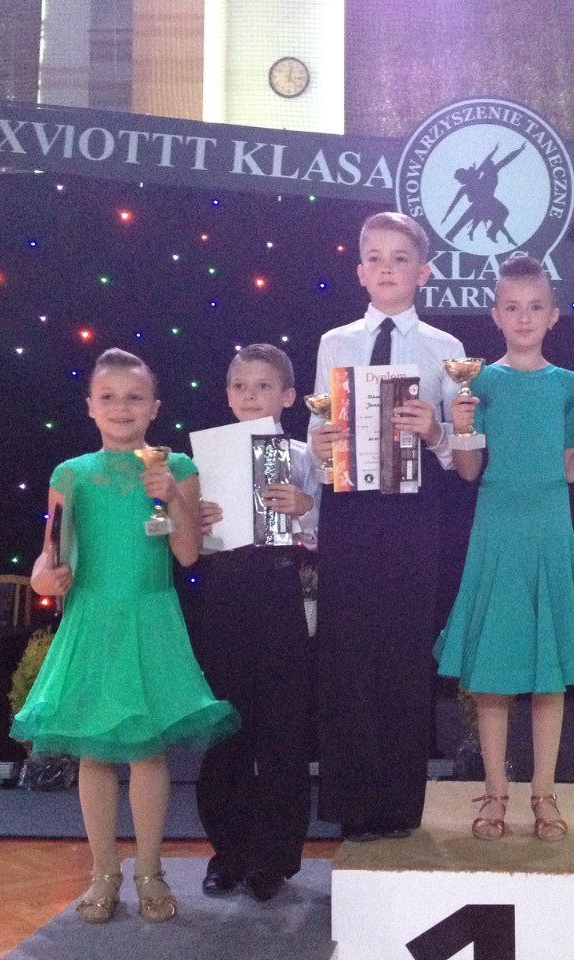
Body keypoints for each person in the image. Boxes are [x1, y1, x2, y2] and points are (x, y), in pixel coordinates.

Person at [15, 347, 238, 924]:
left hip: (152, 617)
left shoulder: (178, 467)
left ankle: (150, 870)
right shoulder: (70, 473)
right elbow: (51, 553)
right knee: (94, 751)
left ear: (155, 407)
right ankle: (103, 872)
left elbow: (187, 553)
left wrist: (170, 493)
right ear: (90, 406)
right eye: (109, 397)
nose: (122, 407)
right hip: (91, 619)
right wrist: (42, 577)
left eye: (135, 397)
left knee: (146, 750)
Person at [434, 253, 574, 841]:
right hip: (497, 529)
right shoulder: (480, 382)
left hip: (550, 530)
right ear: (496, 315)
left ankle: (545, 794)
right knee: (494, 673)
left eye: (535, 307)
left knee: (549, 674)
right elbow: (469, 471)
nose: (523, 317)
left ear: (552, 315)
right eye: (512, 307)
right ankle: (495, 793)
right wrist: (461, 423)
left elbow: (572, 467)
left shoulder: (567, 384)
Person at [309, 211, 463, 841]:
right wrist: (320, 445)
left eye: (400, 258)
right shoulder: (335, 342)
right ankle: (351, 803)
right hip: (350, 508)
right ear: (359, 272)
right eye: (374, 258)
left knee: (404, 651)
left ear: (423, 273)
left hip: (413, 511)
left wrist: (435, 431)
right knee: (346, 650)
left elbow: (463, 450)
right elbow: (319, 430)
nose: (387, 269)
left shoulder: (445, 348)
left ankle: (398, 805)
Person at [190, 343, 320, 901]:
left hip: (282, 590)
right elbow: (185, 545)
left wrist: (305, 509)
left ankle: (275, 859)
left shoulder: (304, 456)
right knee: (227, 728)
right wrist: (194, 523)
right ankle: (228, 852)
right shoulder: (202, 460)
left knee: (283, 732)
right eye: (240, 386)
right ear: (227, 395)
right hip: (224, 593)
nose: (250, 396)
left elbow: (329, 533)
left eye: (264, 386)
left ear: (288, 396)